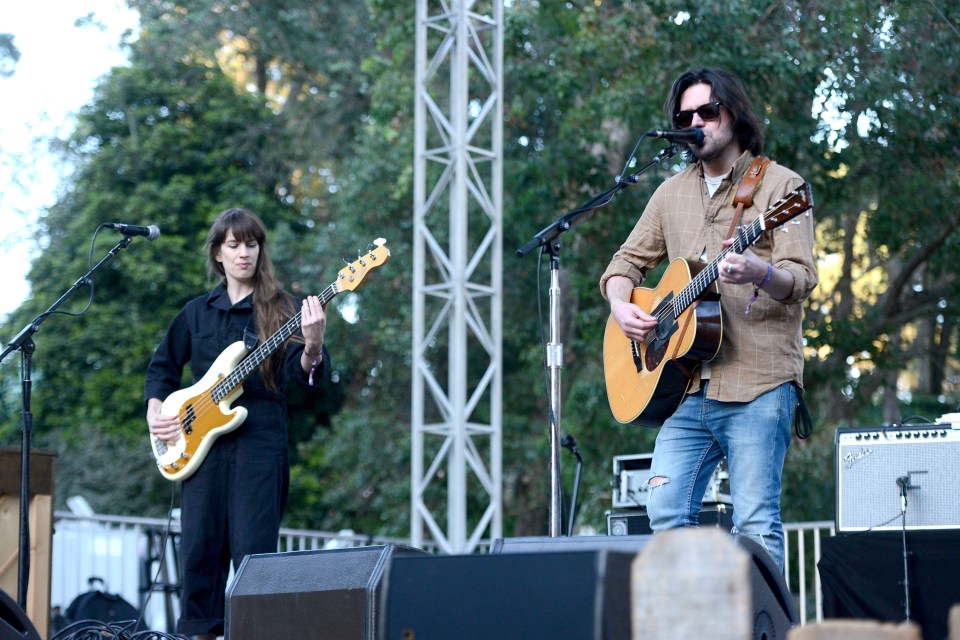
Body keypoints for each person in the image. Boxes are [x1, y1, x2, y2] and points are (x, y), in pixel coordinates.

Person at [600, 67, 817, 571]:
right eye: (685, 116)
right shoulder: (670, 192)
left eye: (707, 111)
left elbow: (800, 278)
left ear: (734, 114)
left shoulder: (782, 187)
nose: (695, 121)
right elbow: (622, 265)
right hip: (686, 388)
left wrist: (760, 270)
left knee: (757, 521)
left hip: (760, 384)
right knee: (665, 511)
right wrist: (621, 305)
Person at [145, 207, 329, 639]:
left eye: (251, 244)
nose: (244, 252)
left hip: (259, 448)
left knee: (253, 560)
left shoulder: (283, 309)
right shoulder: (195, 313)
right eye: (234, 245)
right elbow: (162, 369)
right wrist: (156, 409)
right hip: (200, 451)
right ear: (218, 254)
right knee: (199, 557)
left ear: (260, 250)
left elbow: (308, 380)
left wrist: (314, 348)